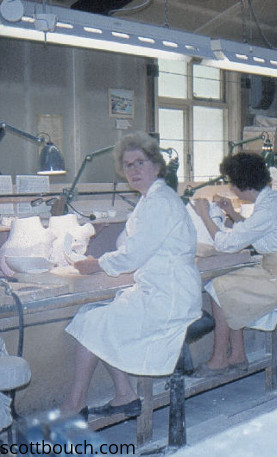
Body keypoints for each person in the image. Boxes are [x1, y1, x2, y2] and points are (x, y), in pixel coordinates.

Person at [61, 132, 202, 418]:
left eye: (140, 162)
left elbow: (134, 254)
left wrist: (98, 264)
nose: (134, 170)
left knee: (93, 321)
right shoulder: (149, 200)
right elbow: (129, 243)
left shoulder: (159, 201)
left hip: (170, 298)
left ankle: (74, 406)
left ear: (157, 166)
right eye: (128, 165)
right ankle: (124, 394)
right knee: (93, 315)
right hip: (162, 290)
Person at [190, 152, 277, 374]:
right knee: (228, 285)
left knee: (219, 288)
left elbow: (227, 244)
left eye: (230, 182)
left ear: (241, 185)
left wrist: (205, 215)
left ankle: (219, 359)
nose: (230, 186)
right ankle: (237, 355)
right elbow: (260, 231)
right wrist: (232, 213)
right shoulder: (275, 200)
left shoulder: (268, 208)